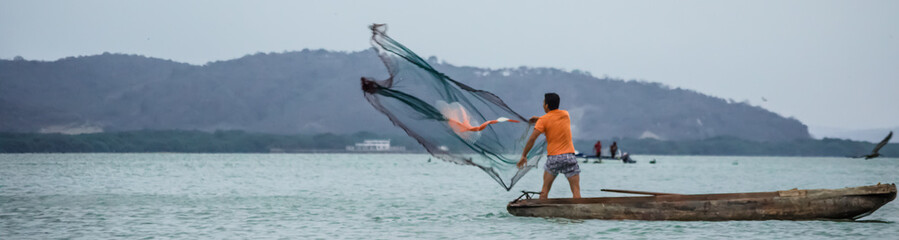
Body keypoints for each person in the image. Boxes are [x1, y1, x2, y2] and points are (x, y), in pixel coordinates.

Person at [517, 93, 581, 199]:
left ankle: (542, 212)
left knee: (544, 190)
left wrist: (524, 155)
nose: (543, 105)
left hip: (554, 158)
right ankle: (579, 212)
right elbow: (553, 119)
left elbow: (532, 139)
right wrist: (539, 119)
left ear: (546, 105)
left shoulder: (543, 120)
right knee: (576, 191)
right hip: (569, 157)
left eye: (543, 102)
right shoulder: (565, 114)